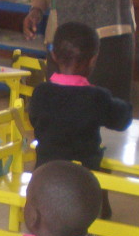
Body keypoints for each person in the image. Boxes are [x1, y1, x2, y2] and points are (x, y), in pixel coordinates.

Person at [28, 21, 131, 170]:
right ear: (93, 60)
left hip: (45, 178)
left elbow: (34, 120)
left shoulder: (41, 92)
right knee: (103, 171)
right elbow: (122, 120)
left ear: (54, 55)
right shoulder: (97, 98)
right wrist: (125, 105)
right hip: (83, 181)